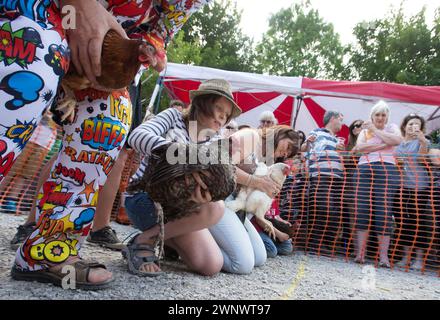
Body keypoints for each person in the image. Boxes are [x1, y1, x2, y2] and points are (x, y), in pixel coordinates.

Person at [4, 0, 211, 290]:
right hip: (39, 14)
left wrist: (144, 51)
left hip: (94, 62)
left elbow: (160, 32)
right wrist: (79, 5)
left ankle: (48, 250)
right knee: (33, 62)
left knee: (110, 117)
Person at [123, 78, 242, 277]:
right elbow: (136, 136)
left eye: (227, 115)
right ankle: (142, 242)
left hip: (180, 209)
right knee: (215, 208)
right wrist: (182, 154)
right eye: (219, 108)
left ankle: (162, 239)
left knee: (211, 265)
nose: (222, 117)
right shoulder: (173, 116)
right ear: (202, 102)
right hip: (146, 199)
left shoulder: (215, 141)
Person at [209, 125, 300, 273]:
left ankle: (211, 240)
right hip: (218, 196)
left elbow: (250, 194)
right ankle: (198, 240)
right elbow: (222, 166)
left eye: (289, 153)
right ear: (281, 134)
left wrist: (266, 193)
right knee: (242, 265)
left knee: (260, 257)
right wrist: (259, 183)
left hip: (237, 205)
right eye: (288, 146)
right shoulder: (251, 136)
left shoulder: (266, 158)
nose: (286, 152)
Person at [353, 100, 403, 268]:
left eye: (383, 114)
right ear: (372, 116)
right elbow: (359, 147)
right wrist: (383, 143)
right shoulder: (364, 131)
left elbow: (397, 140)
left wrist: (375, 132)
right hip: (364, 169)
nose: (380, 117)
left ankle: (383, 257)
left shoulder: (392, 127)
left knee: (384, 211)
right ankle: (360, 254)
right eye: (377, 115)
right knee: (362, 209)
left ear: (387, 116)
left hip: (387, 169)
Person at [300, 111, 345, 255]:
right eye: (341, 119)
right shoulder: (317, 132)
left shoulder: (337, 139)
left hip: (336, 178)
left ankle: (324, 245)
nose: (342, 123)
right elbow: (303, 148)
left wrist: (340, 150)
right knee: (323, 209)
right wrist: (308, 142)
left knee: (335, 212)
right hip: (321, 176)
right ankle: (315, 244)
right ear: (333, 118)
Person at [394, 114, 433, 271]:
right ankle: (405, 257)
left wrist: (422, 140)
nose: (413, 127)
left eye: (416, 125)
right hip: (401, 188)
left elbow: (423, 158)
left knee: (418, 223)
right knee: (403, 222)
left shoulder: (424, 141)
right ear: (404, 126)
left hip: (419, 187)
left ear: (421, 128)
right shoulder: (398, 143)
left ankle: (418, 259)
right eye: (410, 124)